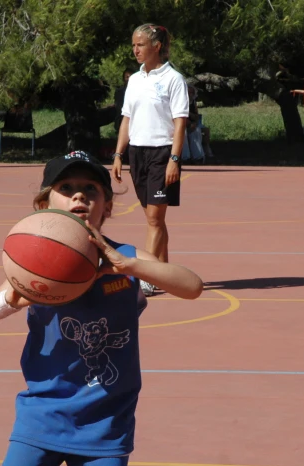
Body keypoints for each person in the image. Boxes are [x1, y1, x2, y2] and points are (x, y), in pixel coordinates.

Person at [0, 150, 203, 466]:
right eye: (66, 187)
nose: (79, 196)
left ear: (106, 207)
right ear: (44, 204)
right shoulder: (34, 262)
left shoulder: (125, 260)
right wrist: (10, 298)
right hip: (45, 409)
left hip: (106, 417)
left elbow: (192, 286)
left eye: (91, 189)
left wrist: (131, 265)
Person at [111, 24, 189, 297]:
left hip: (161, 152)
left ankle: (147, 277)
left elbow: (180, 124)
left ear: (156, 46)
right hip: (137, 154)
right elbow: (126, 119)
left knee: (155, 218)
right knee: (154, 217)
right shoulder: (134, 80)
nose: (135, 50)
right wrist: (119, 154)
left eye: (141, 44)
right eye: (133, 44)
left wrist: (174, 159)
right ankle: (164, 271)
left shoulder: (173, 79)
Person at [113, 69, 134, 134]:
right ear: (124, 79)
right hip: (122, 120)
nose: (128, 79)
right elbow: (119, 107)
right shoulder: (119, 91)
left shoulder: (138, 90)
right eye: (126, 77)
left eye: (130, 76)